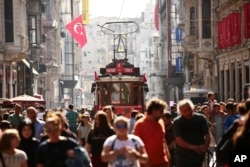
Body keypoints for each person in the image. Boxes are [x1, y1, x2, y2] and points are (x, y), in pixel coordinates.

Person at [173, 99, 210, 167]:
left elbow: (207, 135)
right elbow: (178, 139)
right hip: (183, 156)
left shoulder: (201, 118)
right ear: (180, 111)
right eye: (185, 111)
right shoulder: (177, 122)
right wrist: (192, 147)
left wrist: (205, 146)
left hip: (197, 155)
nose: (188, 112)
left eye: (189, 109)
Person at [133, 97, 170, 167]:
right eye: (161, 111)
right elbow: (136, 145)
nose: (162, 114)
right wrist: (145, 161)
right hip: (146, 164)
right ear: (154, 111)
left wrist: (168, 157)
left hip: (162, 162)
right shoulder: (140, 124)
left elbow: (163, 140)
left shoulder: (161, 122)